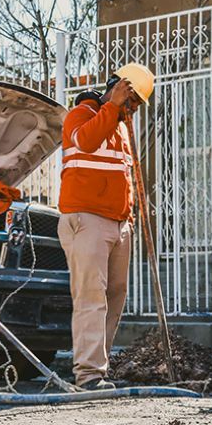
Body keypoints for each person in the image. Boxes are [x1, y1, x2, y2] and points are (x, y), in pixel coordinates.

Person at [56, 63, 154, 391]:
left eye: (137, 105)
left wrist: (132, 215)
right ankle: (88, 374)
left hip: (118, 224)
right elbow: (85, 141)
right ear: (117, 88)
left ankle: (101, 367)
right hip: (87, 220)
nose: (134, 109)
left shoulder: (122, 127)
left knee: (115, 295)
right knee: (91, 296)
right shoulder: (81, 115)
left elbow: (123, 175)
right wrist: (113, 105)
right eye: (132, 100)